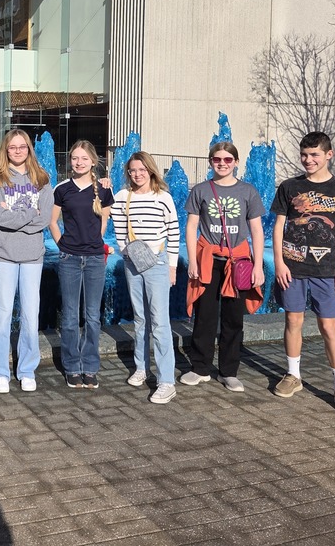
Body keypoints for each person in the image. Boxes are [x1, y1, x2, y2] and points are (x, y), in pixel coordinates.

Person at [271, 131, 335, 418]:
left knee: (329, 328)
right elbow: (278, 227)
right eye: (304, 155)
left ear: (328, 155)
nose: (308, 160)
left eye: (314, 155)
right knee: (293, 320)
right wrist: (280, 264)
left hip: (326, 270)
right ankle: (293, 375)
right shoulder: (289, 187)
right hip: (293, 267)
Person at [182, 142, 266, 392]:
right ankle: (200, 368)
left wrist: (258, 265)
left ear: (236, 162)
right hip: (208, 260)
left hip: (238, 262)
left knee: (233, 318)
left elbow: (257, 230)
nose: (222, 163)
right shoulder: (200, 190)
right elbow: (191, 227)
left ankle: (229, 371)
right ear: (210, 162)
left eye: (228, 159)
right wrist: (192, 260)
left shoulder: (248, 191)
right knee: (204, 316)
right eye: (217, 159)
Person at [0, 130, 53, 394]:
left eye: (22, 146)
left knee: (29, 314)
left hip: (32, 256)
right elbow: (0, 219)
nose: (17, 151)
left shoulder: (42, 178)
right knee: (1, 315)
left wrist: (16, 216)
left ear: (28, 149)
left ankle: (26, 369)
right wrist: (28, 214)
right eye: (12, 147)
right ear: (5, 150)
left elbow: (44, 218)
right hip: (2, 254)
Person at [111, 151, 180, 404]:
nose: (137, 174)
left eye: (141, 169)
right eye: (132, 171)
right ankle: (141, 367)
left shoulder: (163, 198)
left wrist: (172, 266)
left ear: (151, 170)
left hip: (158, 263)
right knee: (140, 318)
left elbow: (174, 233)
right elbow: (119, 229)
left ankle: (166, 382)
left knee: (160, 322)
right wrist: (126, 251)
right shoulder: (122, 197)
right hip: (133, 262)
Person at [49, 140, 114, 389]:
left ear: (93, 161)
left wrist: (95, 242)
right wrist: (62, 245)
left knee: (92, 316)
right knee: (70, 315)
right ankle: (72, 366)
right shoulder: (62, 189)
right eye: (75, 158)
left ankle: (90, 366)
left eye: (84, 158)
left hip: (96, 258)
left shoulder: (104, 190)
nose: (78, 162)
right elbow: (52, 221)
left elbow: (104, 221)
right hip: (70, 259)